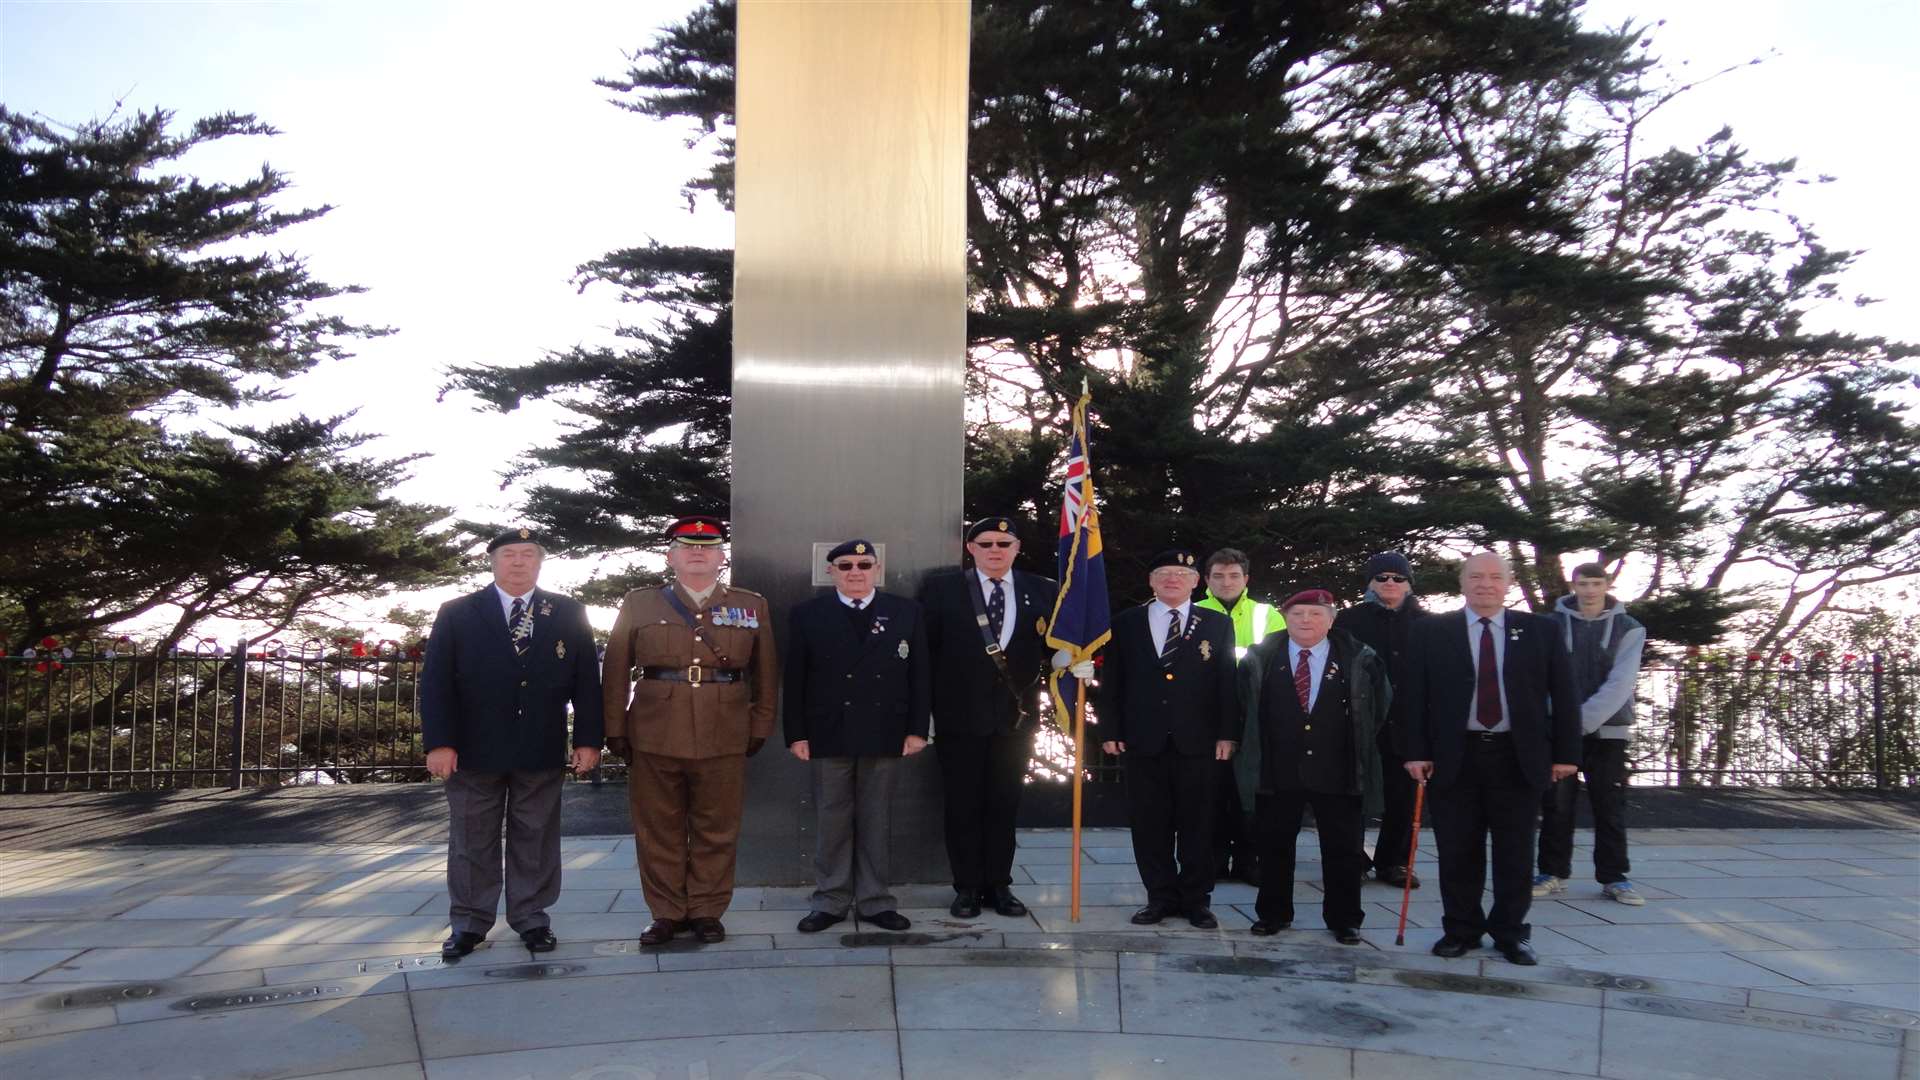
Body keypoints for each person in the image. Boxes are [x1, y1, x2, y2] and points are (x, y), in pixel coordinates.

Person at [421, 528, 603, 961]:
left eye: (527, 554)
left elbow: (586, 683)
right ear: (492, 561)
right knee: (471, 838)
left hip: (539, 746)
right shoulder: (458, 612)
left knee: (536, 836)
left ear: (540, 562)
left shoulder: (567, 611)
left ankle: (532, 917)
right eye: (508, 554)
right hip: (473, 749)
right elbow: (436, 685)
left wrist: (589, 741)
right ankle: (468, 922)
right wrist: (440, 743)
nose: (518, 562)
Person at [602, 515, 778, 946]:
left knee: (717, 826)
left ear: (721, 557)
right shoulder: (640, 602)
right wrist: (615, 726)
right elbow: (616, 668)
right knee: (657, 826)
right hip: (655, 730)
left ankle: (706, 910)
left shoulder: (750, 604)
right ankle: (665, 913)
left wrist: (759, 723)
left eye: (708, 546)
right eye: (687, 546)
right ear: (671, 556)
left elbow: (766, 671)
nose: (697, 552)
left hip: (725, 728)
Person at [1402, 551, 1579, 966]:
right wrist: (1415, 751)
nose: (1485, 584)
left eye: (1494, 577)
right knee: (1457, 849)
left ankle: (1510, 932)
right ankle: (1460, 929)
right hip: (1454, 756)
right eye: (1476, 577)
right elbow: (1413, 696)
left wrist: (1568, 753)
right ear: (1462, 583)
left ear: (1508, 583)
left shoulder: (1541, 630)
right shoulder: (1431, 631)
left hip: (1518, 756)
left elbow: (1566, 694)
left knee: (1515, 852)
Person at [784, 539, 930, 933]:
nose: (855, 572)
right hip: (827, 730)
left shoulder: (906, 611)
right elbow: (794, 679)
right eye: (845, 565)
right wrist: (796, 733)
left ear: (876, 570)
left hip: (886, 730)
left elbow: (920, 675)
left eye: (864, 565)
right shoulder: (807, 614)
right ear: (831, 571)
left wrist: (918, 729)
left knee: (876, 817)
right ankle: (830, 900)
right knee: (832, 818)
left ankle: (875, 900)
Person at [918, 516, 1058, 919]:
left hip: (1015, 720)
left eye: (1004, 543)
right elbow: (927, 654)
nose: (995, 550)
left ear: (1017, 548)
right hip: (958, 718)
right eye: (986, 543)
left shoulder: (1041, 590)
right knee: (962, 805)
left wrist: (1069, 660)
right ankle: (966, 888)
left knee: (1004, 804)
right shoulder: (943, 589)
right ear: (971, 549)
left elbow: (1053, 646)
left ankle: (1000, 885)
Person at [1093, 549, 1239, 929]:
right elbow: (1114, 683)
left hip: (1200, 741)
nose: (1172, 579)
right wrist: (1109, 729)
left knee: (1199, 824)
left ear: (1196, 581)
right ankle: (1158, 897)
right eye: (1163, 574)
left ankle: (1196, 900)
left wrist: (1228, 732)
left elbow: (1227, 680)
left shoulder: (1217, 623)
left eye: (1181, 573)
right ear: (1152, 582)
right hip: (1145, 740)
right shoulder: (1127, 622)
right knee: (1149, 823)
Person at [1239, 589, 1388, 943]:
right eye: (1298, 614)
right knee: (1274, 846)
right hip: (1278, 768)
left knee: (1344, 849)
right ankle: (1273, 914)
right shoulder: (1260, 657)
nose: (1306, 621)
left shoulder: (1358, 657)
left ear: (1331, 619)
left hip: (1339, 768)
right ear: (1285, 618)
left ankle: (1344, 918)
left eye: (1315, 614)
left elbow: (1378, 708)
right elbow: (1243, 707)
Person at [1534, 562, 1647, 905]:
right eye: (1583, 584)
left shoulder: (1629, 627)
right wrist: (1562, 724)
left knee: (1609, 805)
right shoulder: (1551, 624)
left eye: (1596, 584)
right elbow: (1541, 675)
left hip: (1609, 732)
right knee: (1556, 804)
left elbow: (1621, 684)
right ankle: (1552, 873)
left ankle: (1614, 878)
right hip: (1559, 730)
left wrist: (1578, 722)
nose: (1590, 591)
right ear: (1574, 586)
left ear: (1607, 585)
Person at [1332, 552, 1426, 889]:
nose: (1390, 583)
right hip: (1361, 719)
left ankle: (1395, 861)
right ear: (1370, 582)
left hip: (1408, 722)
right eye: (1382, 577)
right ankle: (1352, 857)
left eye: (1398, 578)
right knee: (1354, 793)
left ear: (1408, 584)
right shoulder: (1348, 620)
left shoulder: (1426, 623)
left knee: (1403, 796)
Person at [1196, 548, 1286, 883]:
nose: (1226, 582)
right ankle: (1215, 859)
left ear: (1246, 579)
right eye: (1218, 575)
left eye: (1234, 575)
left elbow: (1279, 662)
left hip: (1256, 714)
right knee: (1211, 792)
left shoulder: (1267, 614)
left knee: (1252, 791)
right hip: (1207, 713)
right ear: (1206, 580)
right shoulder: (1193, 612)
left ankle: (1251, 860)